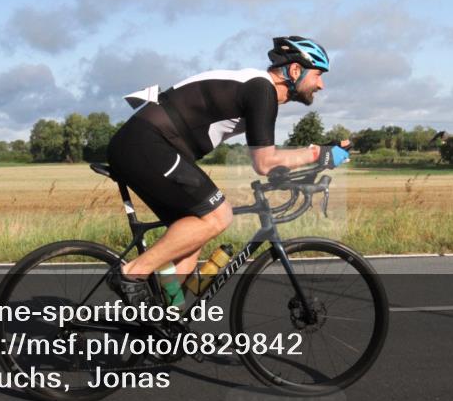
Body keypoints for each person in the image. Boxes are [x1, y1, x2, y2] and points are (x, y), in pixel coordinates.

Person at [105, 36, 351, 305]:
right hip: (147, 143)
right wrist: (319, 154)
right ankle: (131, 274)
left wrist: (315, 157)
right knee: (218, 216)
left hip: (147, 145)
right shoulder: (261, 89)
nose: (321, 84)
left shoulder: (258, 88)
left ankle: (166, 318)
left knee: (191, 236)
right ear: (295, 71)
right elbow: (264, 162)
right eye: (318, 74)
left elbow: (269, 160)